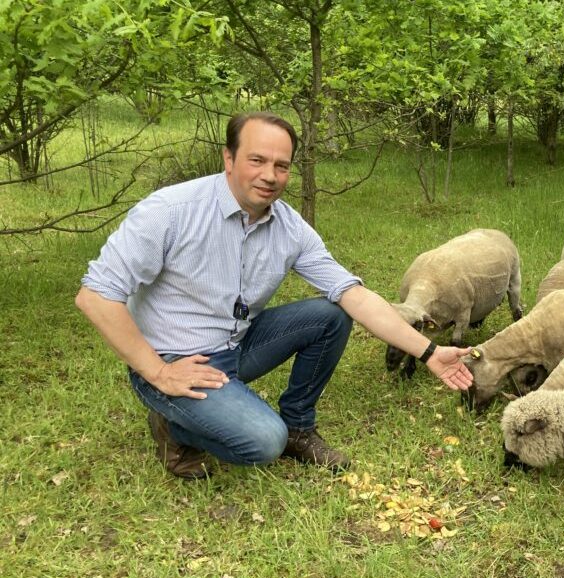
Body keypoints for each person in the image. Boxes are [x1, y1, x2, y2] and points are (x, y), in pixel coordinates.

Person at [76, 112, 473, 480]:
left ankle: (299, 428)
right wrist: (158, 372)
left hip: (236, 344)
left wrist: (430, 352)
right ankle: (173, 423)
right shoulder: (170, 211)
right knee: (264, 442)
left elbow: (354, 295)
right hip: (173, 358)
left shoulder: (288, 227)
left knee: (331, 315)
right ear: (228, 158)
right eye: (257, 160)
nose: (270, 175)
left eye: (281, 165)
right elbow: (95, 296)